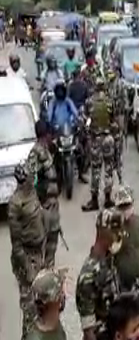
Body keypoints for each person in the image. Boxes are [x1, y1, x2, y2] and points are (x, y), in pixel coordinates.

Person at [8, 161, 48, 340]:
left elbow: (39, 214)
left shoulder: (32, 192)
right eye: (31, 176)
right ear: (23, 180)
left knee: (40, 304)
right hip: (26, 258)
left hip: (38, 253)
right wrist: (29, 270)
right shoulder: (15, 205)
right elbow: (16, 246)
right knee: (29, 306)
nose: (34, 178)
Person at [76, 209, 123, 340]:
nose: (118, 236)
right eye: (114, 232)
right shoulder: (88, 276)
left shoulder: (108, 259)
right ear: (103, 232)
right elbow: (88, 331)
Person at [112, 185, 139, 336]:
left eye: (127, 206)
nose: (125, 211)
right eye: (122, 207)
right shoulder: (113, 227)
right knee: (124, 326)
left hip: (138, 282)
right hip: (120, 285)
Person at [26, 120, 60, 268]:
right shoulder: (35, 153)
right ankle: (39, 271)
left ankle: (49, 267)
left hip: (52, 205)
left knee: (53, 236)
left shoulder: (46, 149)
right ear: (45, 135)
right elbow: (30, 179)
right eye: (49, 134)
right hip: (43, 205)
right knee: (41, 240)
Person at [82, 77, 117, 212]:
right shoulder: (109, 101)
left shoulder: (90, 102)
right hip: (108, 138)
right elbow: (113, 119)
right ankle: (108, 199)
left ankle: (94, 200)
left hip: (96, 140)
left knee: (95, 170)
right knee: (108, 169)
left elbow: (85, 119)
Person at [27, 268, 67, 340]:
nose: (64, 294)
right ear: (55, 300)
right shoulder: (41, 336)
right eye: (61, 291)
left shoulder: (52, 322)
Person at [107, 70, 127, 184]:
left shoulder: (120, 84)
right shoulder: (108, 85)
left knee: (118, 142)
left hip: (119, 114)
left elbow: (124, 101)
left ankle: (119, 178)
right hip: (111, 116)